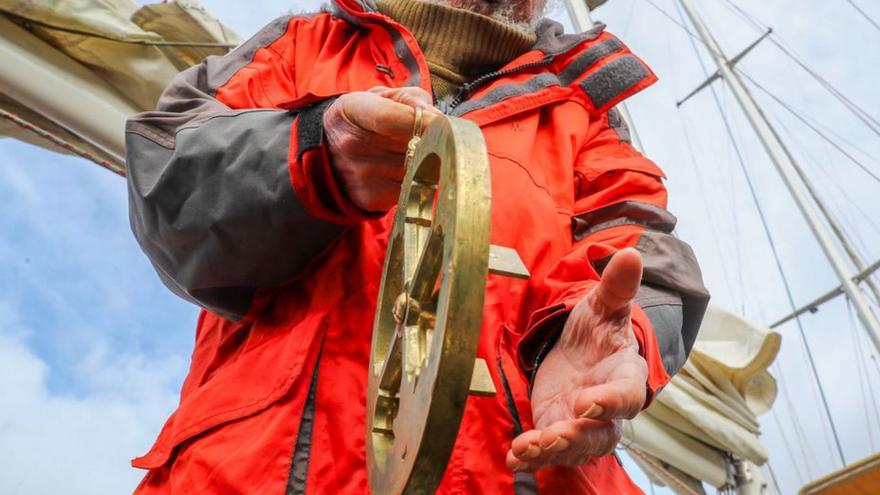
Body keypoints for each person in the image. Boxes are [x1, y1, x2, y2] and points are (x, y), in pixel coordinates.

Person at [124, 0, 709, 492]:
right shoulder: (295, 48)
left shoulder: (589, 119)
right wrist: (313, 152)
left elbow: (640, 256)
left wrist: (615, 336)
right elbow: (168, 183)